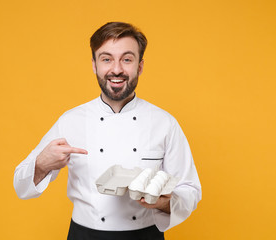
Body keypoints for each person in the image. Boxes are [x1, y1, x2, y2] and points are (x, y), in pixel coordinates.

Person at [13, 22, 201, 240]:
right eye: (106, 59)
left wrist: (165, 203)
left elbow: (190, 190)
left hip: (145, 235)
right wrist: (41, 164)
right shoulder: (70, 121)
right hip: (84, 235)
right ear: (94, 65)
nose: (117, 69)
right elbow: (20, 186)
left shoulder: (164, 123)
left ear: (140, 66)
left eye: (127, 59)